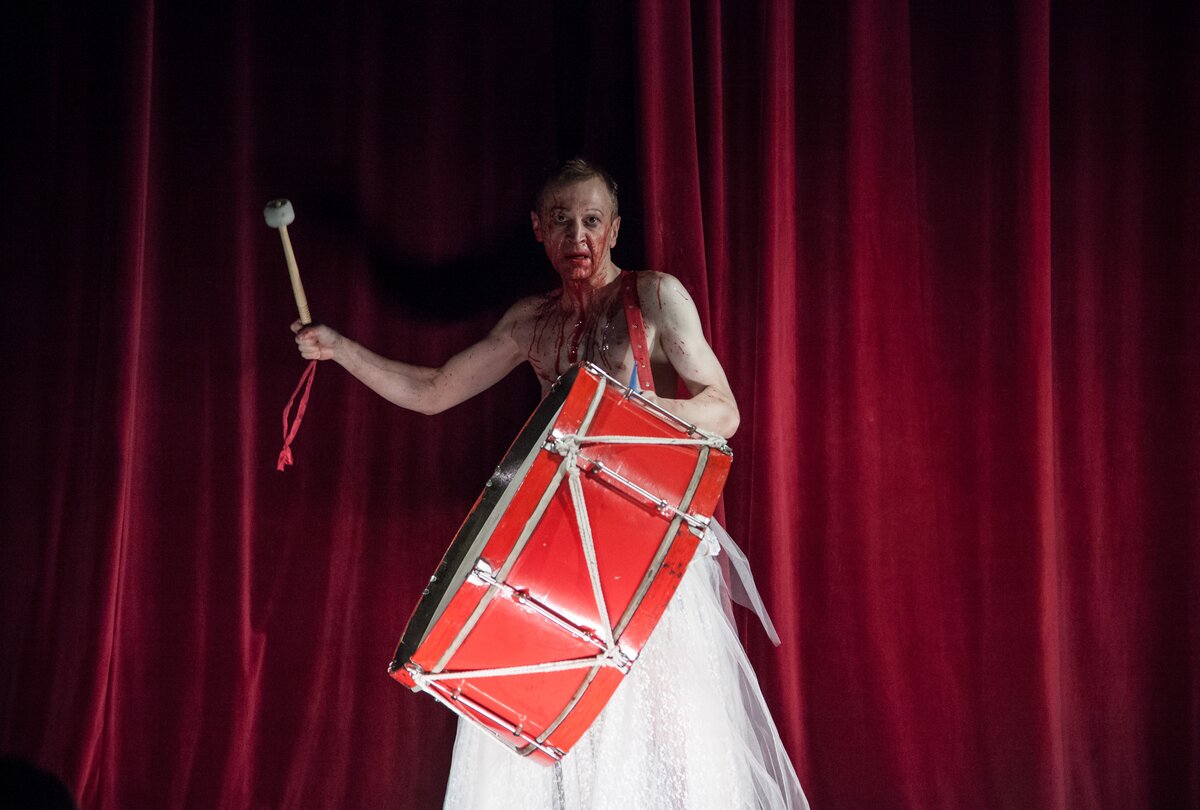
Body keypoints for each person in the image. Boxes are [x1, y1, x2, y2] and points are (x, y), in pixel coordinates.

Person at [293, 159, 808, 809]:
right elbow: (434, 390)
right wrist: (339, 349)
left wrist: (628, 413)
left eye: (592, 220)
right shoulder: (530, 322)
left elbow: (722, 410)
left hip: (646, 545)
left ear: (615, 228)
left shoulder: (654, 297)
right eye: (562, 221)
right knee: (546, 726)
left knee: (669, 730)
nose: (578, 236)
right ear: (538, 229)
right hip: (558, 548)